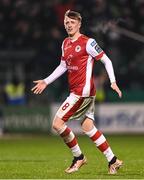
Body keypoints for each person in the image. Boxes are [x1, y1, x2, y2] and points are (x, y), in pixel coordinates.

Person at [31, 10, 123, 174]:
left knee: (57, 124)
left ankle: (79, 157)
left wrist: (113, 82)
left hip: (82, 92)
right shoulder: (65, 43)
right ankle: (113, 160)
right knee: (88, 127)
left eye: (72, 22)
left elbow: (106, 60)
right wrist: (46, 81)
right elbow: (63, 66)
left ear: (79, 24)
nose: (69, 25)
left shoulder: (88, 42)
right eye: (67, 22)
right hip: (81, 92)